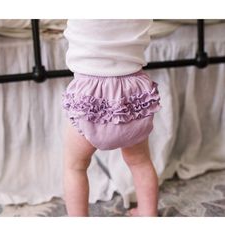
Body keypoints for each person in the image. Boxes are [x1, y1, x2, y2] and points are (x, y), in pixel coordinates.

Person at [62, 19, 161, 216]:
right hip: (133, 93)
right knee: (141, 162)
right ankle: (148, 216)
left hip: (89, 96)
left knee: (75, 167)